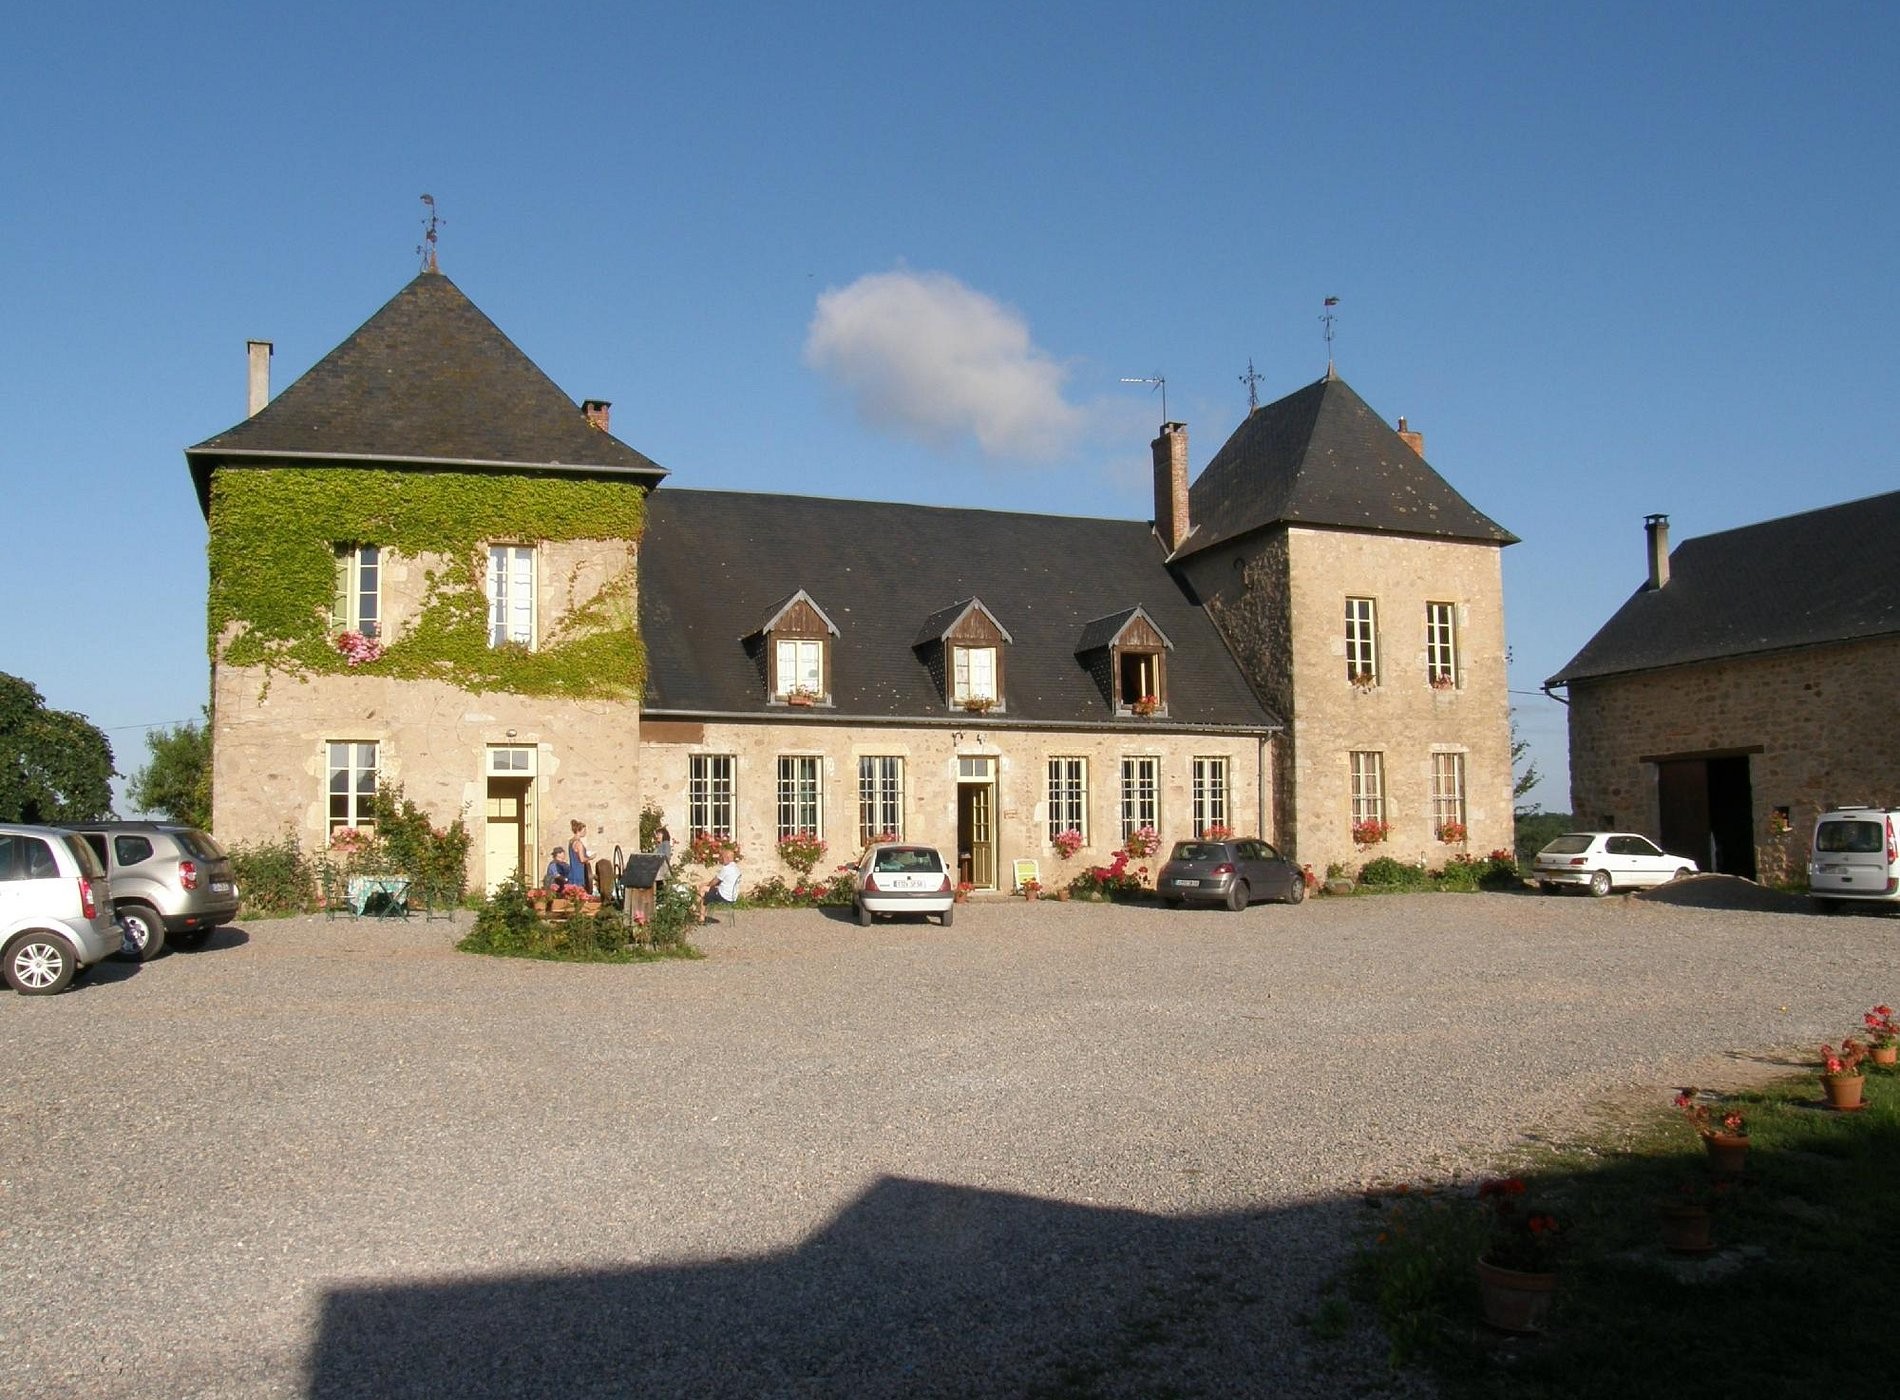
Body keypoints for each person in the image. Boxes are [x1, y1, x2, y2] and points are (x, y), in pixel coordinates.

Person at [696, 847, 741, 923]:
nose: (721, 859)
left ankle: (701, 917)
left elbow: (715, 881)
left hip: (724, 895)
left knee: (703, 889)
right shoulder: (736, 868)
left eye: (722, 857)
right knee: (704, 886)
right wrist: (707, 884)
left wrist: (707, 885)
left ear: (727, 858)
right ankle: (698, 911)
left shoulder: (726, 868)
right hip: (732, 896)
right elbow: (721, 881)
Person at [567, 820, 594, 895]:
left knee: (571, 893)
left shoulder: (571, 842)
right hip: (579, 871)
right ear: (579, 831)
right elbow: (582, 859)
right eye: (584, 830)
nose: (585, 832)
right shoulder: (579, 844)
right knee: (578, 893)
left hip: (572, 870)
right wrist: (590, 858)